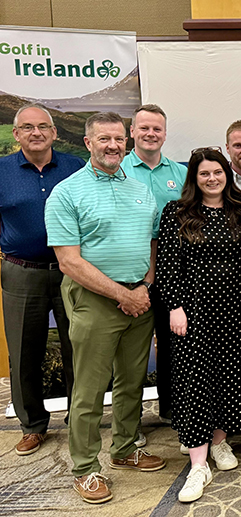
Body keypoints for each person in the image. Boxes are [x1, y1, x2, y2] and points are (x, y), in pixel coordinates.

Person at [45, 112, 166, 504]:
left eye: (118, 139)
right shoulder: (67, 192)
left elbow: (151, 243)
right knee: (90, 389)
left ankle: (126, 449)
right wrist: (121, 294)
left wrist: (145, 286)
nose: (113, 146)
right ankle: (85, 467)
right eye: (105, 139)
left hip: (139, 298)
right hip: (95, 301)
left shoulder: (139, 189)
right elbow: (69, 261)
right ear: (88, 143)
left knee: (131, 382)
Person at [156, 147, 241, 502]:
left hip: (236, 312)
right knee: (196, 380)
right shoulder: (177, 212)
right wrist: (175, 306)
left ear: (227, 174)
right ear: (195, 178)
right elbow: (168, 265)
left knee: (227, 377)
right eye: (204, 174)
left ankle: (220, 440)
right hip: (194, 312)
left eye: (217, 172)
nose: (212, 178)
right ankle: (198, 464)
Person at [1, 103, 83, 456]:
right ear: (16, 134)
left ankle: (80, 420)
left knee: (78, 348)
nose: (36, 133)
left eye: (43, 127)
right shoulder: (1, 170)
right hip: (22, 271)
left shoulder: (75, 167)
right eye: (28, 127)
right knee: (23, 352)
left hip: (73, 271)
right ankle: (33, 425)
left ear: (54, 132)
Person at [122, 104, 187, 427]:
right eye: (144, 128)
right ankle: (129, 428)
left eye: (157, 129)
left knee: (173, 346)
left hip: (171, 275)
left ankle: (172, 410)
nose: (150, 134)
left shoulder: (180, 174)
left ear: (164, 133)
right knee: (130, 356)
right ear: (132, 132)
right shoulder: (118, 171)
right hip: (130, 278)